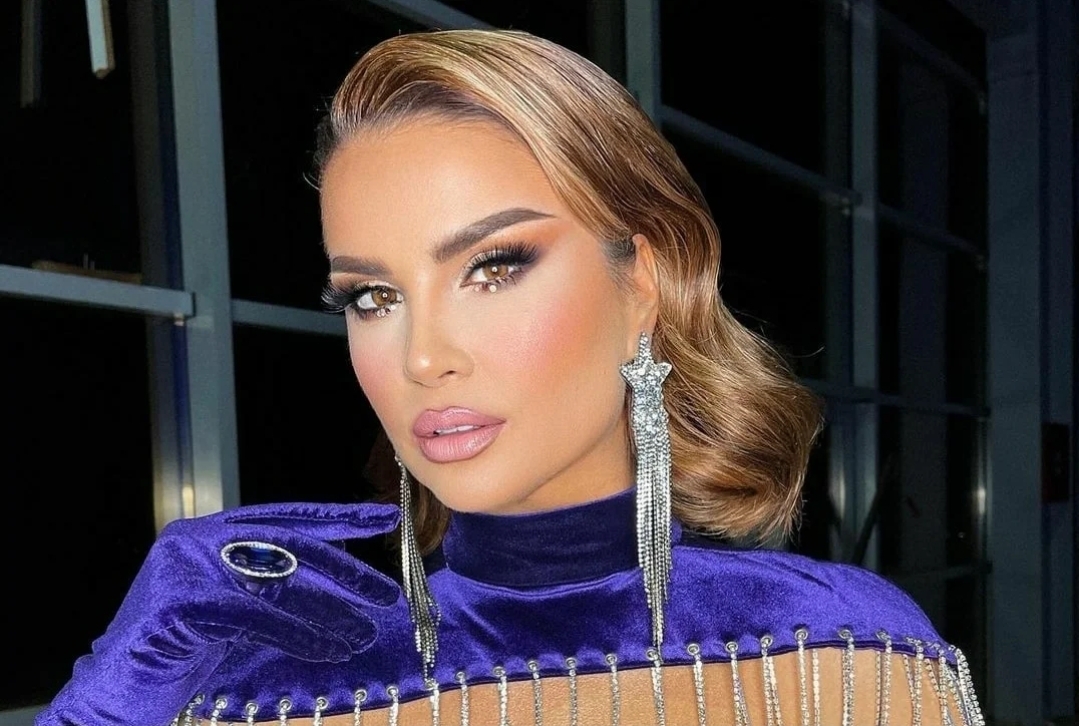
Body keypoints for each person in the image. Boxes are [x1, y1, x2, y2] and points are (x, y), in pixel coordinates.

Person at [38, 29, 984, 726]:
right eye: (372, 296)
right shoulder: (267, 679)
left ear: (643, 284)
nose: (421, 357)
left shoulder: (839, 648)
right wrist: (118, 689)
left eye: (491, 269)